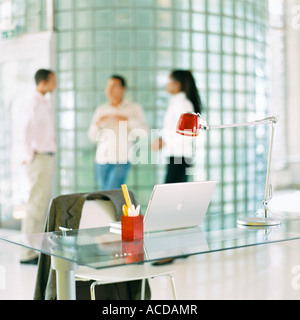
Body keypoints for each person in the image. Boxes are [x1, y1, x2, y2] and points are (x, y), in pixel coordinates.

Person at [21, 69, 57, 264]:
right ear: (44, 82)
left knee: (41, 206)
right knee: (36, 206)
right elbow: (25, 131)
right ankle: (27, 253)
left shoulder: (43, 102)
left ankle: (36, 250)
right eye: (54, 80)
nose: (56, 84)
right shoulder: (34, 103)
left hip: (46, 158)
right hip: (39, 159)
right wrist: (29, 157)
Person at [88, 75, 148, 191]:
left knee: (110, 193)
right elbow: (92, 137)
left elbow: (144, 133)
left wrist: (128, 120)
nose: (109, 89)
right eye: (108, 86)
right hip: (101, 160)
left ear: (123, 89)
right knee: (104, 195)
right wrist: (97, 123)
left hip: (121, 159)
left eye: (114, 86)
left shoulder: (134, 108)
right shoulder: (101, 110)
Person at [152, 70, 203, 184]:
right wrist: (162, 140)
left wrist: (164, 142)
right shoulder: (176, 102)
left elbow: (187, 132)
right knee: (173, 195)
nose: (167, 84)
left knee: (171, 195)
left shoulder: (183, 103)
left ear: (177, 84)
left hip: (180, 157)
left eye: (169, 81)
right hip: (176, 156)